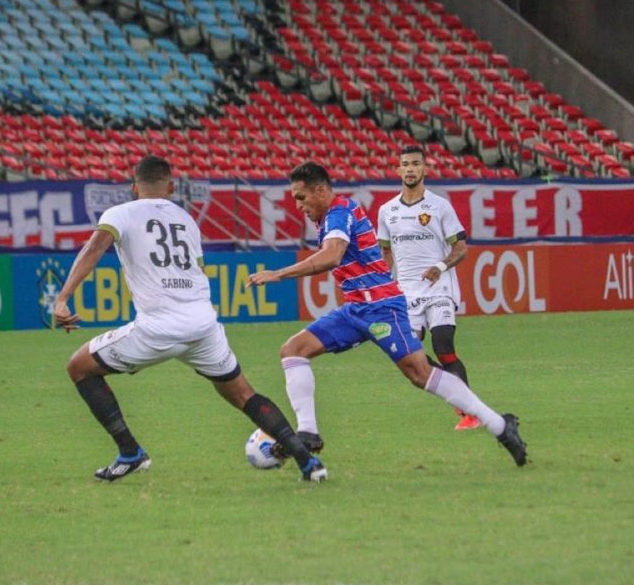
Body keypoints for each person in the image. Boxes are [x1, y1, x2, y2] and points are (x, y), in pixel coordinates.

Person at [53, 155, 327, 482]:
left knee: (79, 367)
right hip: (203, 325)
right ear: (170, 187)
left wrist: (63, 297)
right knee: (243, 394)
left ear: (133, 187)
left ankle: (130, 453)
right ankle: (309, 464)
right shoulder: (186, 219)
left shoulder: (120, 213)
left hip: (158, 327)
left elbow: (94, 249)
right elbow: (195, 269)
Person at [247, 161, 527, 466]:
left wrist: (279, 274)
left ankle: (500, 426)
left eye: (301, 197)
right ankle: (309, 433)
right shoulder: (332, 215)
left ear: (321, 190)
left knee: (420, 374)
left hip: (382, 306)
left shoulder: (339, 213)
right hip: (356, 308)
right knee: (293, 351)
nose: (297, 205)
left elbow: (332, 255)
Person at [376, 145, 480, 430]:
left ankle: (470, 413)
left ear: (424, 169)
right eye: (405, 164)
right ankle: (456, 392)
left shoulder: (439, 206)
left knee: (443, 345)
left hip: (439, 288)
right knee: (410, 358)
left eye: (415, 164)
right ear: (398, 170)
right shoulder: (387, 211)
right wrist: (382, 282)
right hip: (406, 293)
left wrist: (441, 267)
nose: (410, 169)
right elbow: (385, 253)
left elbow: (461, 247)